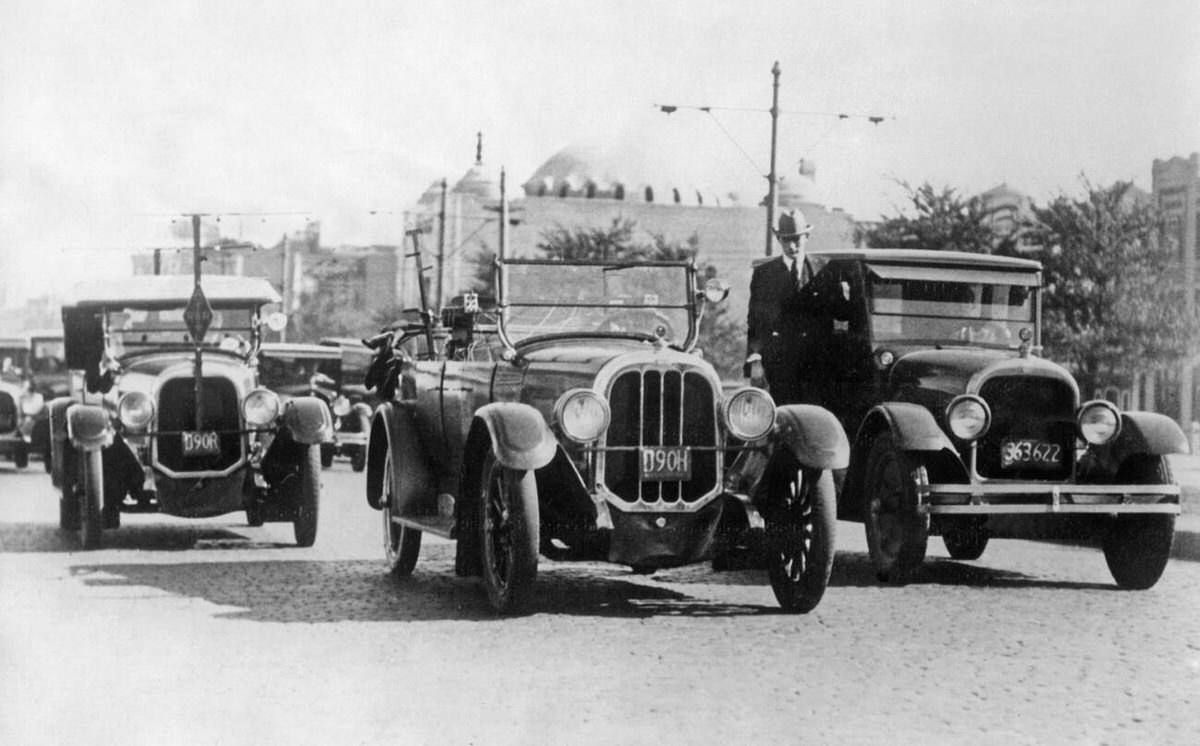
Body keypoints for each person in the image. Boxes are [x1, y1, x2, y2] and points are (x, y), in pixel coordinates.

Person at [745, 209, 840, 405]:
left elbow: (840, 314)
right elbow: (755, 323)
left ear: (807, 236)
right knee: (783, 420)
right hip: (780, 365)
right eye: (785, 239)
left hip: (817, 367)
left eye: (797, 239)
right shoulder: (764, 275)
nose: (792, 245)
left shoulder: (825, 271)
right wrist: (756, 361)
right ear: (778, 239)